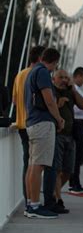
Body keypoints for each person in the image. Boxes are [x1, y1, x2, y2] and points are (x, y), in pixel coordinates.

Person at [24, 48, 65, 219]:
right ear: (55, 62)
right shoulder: (42, 73)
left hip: (32, 122)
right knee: (38, 165)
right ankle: (34, 206)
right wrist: (59, 118)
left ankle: (29, 202)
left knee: (32, 164)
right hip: (42, 123)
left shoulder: (31, 72)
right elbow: (49, 100)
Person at [12, 46, 45, 206]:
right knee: (37, 165)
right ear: (40, 58)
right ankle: (34, 202)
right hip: (35, 123)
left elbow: (14, 100)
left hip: (21, 124)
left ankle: (28, 200)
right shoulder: (37, 74)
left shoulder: (20, 75)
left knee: (28, 164)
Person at [51, 69, 83, 212]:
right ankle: (57, 199)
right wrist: (57, 105)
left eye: (66, 77)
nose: (64, 80)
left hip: (70, 135)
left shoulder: (70, 91)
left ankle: (54, 191)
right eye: (61, 77)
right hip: (56, 134)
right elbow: (43, 108)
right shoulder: (50, 91)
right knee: (57, 169)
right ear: (54, 78)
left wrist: (73, 89)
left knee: (68, 170)